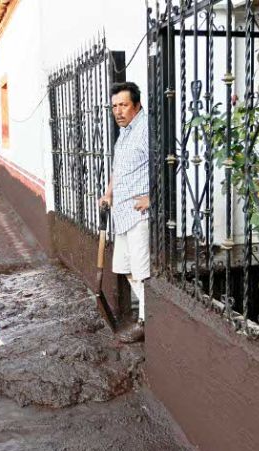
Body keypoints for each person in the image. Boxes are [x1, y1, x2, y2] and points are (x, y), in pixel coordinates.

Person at [98, 81, 150, 344]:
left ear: (137, 105)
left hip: (139, 214)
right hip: (122, 214)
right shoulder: (126, 132)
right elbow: (119, 169)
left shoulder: (147, 129)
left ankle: (145, 322)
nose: (118, 111)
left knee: (141, 270)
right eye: (115, 106)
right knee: (126, 268)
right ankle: (151, 313)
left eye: (123, 105)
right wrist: (109, 193)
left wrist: (152, 198)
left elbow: (169, 164)